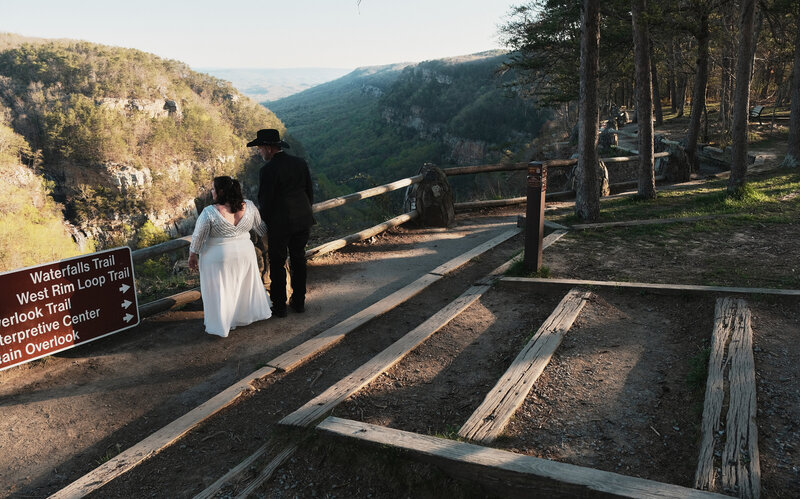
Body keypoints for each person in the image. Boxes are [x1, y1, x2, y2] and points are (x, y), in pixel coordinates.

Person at [188, 176, 272, 336]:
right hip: (245, 253)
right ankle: (244, 315)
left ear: (220, 191)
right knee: (243, 285)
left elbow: (198, 237)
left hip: (219, 257)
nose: (211, 191)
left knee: (222, 288)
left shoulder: (209, 213)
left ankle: (225, 321)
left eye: (213, 189)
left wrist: (192, 255)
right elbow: (261, 229)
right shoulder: (250, 207)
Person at [247, 129, 315, 317]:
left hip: (280, 224)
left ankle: (279, 306)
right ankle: (299, 301)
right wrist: (305, 212)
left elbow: (265, 202)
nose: (259, 152)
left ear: (269, 148)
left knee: (277, 263)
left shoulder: (268, 170)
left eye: (260, 148)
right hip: (303, 220)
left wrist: (264, 224)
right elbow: (309, 192)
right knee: (299, 259)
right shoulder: (300, 163)